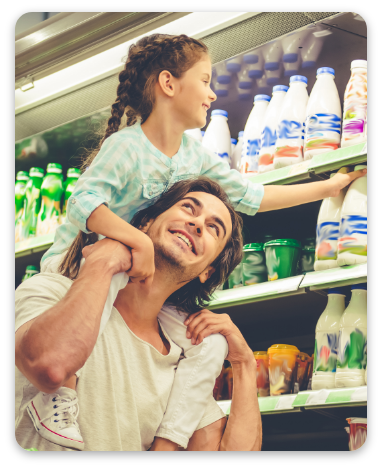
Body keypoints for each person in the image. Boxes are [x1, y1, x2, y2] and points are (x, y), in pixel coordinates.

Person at [35, 32, 365, 448]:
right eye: (206, 81)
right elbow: (82, 204)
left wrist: (329, 185)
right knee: (88, 326)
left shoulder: (195, 156)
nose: (212, 93)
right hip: (86, 265)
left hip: (141, 278)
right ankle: (59, 402)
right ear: (169, 84)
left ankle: (170, 440)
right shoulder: (126, 147)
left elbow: (254, 196)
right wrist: (134, 242)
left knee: (208, 345)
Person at [15, 178, 261, 451]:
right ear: (144, 223)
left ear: (208, 271)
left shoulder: (187, 360)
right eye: (188, 208)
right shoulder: (51, 293)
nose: (198, 223)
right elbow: (50, 366)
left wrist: (243, 363)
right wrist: (105, 260)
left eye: (213, 228)